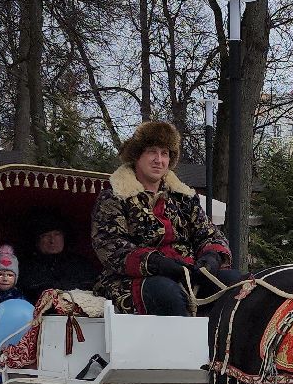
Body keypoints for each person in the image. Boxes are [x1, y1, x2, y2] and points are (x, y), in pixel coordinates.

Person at [91, 120, 239, 315]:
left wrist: (212, 257)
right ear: (137, 155)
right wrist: (157, 263)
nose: (159, 160)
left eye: (165, 153)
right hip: (131, 279)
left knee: (238, 284)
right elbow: (109, 245)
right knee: (166, 293)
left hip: (188, 274)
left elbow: (209, 234)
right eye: (152, 152)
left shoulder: (184, 197)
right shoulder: (115, 197)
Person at [16, 210, 96, 299]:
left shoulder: (81, 265)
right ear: (36, 240)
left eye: (57, 234)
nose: (52, 240)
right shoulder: (25, 268)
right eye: (45, 235)